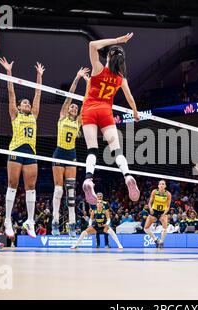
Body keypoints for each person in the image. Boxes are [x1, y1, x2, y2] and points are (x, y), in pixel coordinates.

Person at [81, 33, 140, 205]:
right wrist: (135, 112)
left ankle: (88, 179)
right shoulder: (120, 79)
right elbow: (129, 99)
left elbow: (92, 45)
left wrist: (116, 40)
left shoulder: (98, 69)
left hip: (90, 110)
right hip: (106, 112)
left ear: (108, 56)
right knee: (116, 150)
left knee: (92, 150)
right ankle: (127, 175)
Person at [0, 57, 45, 238]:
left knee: (31, 186)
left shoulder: (34, 115)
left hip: (30, 153)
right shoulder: (15, 115)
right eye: (24, 103)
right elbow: (11, 93)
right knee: (12, 184)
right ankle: (8, 220)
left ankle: (30, 221)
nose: (27, 104)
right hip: (16, 150)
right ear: (19, 106)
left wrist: (39, 76)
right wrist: (9, 73)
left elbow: (38, 94)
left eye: (28, 103)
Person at [51, 67, 90, 237]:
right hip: (59, 154)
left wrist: (88, 83)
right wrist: (77, 77)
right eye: (72, 107)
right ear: (68, 110)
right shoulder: (62, 116)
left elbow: (87, 101)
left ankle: (72, 225)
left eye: (75, 107)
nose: (74, 108)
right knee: (59, 191)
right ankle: (55, 223)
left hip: (71, 155)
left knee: (72, 192)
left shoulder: (79, 121)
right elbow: (69, 96)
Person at [143, 180, 172, 248]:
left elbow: (168, 207)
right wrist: (150, 209)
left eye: (163, 184)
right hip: (154, 211)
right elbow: (149, 203)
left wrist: (163, 214)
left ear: (165, 186)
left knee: (165, 228)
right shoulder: (154, 192)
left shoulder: (168, 194)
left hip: (163, 211)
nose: (161, 185)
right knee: (146, 228)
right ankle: (155, 239)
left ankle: (161, 242)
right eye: (160, 184)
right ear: (158, 185)